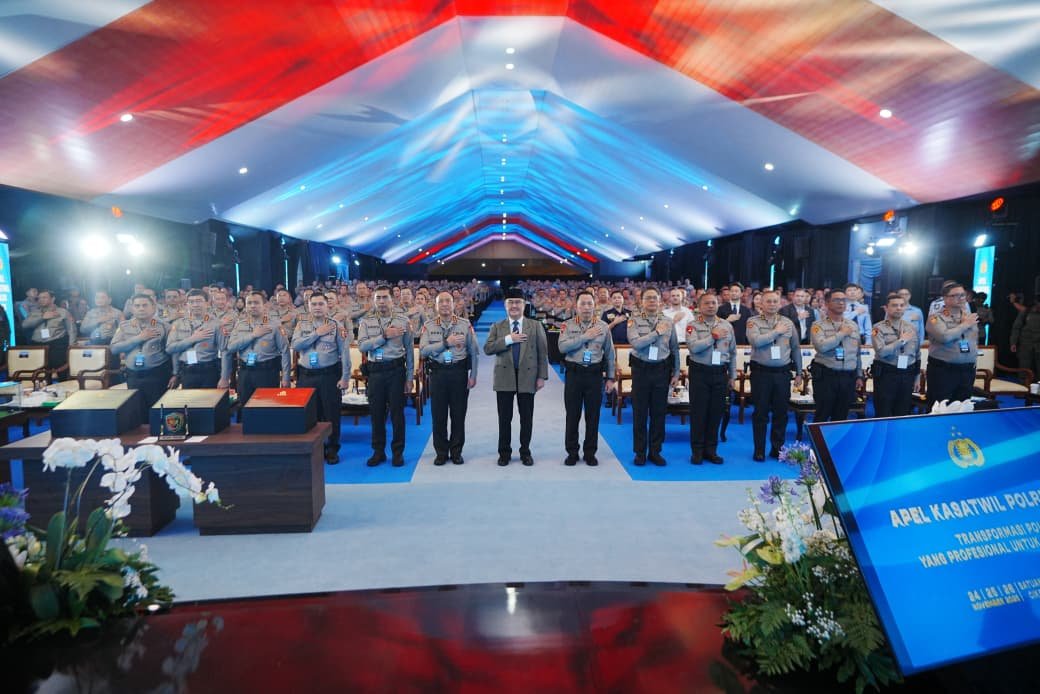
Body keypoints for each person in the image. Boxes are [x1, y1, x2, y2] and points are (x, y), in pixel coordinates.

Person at [484, 288, 548, 466]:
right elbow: (488, 348)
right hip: (504, 377)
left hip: (528, 376)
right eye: (510, 302)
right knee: (504, 418)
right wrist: (508, 339)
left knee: (526, 418)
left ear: (524, 305)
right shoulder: (497, 326)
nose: (514, 305)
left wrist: (541, 376)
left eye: (518, 302)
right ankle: (504, 453)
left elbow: (543, 353)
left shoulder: (535, 325)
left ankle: (525, 452)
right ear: (505, 305)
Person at [419, 292, 480, 465]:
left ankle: (456, 451)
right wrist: (446, 343)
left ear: (453, 304)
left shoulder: (465, 324)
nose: (445, 304)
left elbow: (474, 351)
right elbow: (423, 351)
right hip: (438, 374)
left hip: (458, 373)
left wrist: (473, 375)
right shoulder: (428, 325)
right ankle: (441, 452)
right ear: (436, 306)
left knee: (458, 415)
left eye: (448, 301)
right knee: (438, 415)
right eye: (441, 302)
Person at [292, 293, 352, 464]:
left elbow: (345, 353)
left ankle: (332, 448)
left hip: (329, 375)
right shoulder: (302, 324)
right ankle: (315, 448)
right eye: (314, 304)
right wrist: (316, 334)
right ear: (308, 306)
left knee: (331, 413)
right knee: (309, 414)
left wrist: (345, 377)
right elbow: (296, 345)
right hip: (306, 375)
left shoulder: (336, 325)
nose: (317, 307)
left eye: (321, 304)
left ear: (327, 306)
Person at [357, 286, 413, 467]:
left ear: (392, 300)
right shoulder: (366, 322)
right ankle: (378, 451)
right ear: (374, 301)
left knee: (397, 414)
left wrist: (409, 378)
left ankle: (397, 452)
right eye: (378, 298)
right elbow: (362, 346)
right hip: (375, 372)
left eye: (385, 297)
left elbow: (409, 351)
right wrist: (383, 337)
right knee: (376, 414)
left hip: (396, 371)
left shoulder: (403, 321)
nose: (381, 301)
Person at [558, 291, 615, 466]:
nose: (586, 307)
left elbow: (610, 354)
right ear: (576, 306)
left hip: (594, 375)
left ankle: (590, 452)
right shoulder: (567, 325)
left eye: (589, 303)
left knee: (593, 416)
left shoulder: (603, 326)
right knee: (572, 415)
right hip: (574, 374)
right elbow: (562, 347)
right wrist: (585, 337)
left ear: (594, 306)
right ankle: (572, 452)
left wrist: (610, 378)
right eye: (582, 303)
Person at [627, 287, 680, 466]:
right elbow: (636, 343)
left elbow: (674, 348)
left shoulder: (668, 321)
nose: (652, 301)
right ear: (641, 301)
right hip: (641, 370)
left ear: (660, 301)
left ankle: (655, 451)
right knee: (640, 413)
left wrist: (676, 371)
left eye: (655, 298)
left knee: (659, 413)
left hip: (661, 370)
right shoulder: (634, 320)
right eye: (648, 298)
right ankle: (640, 452)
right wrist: (656, 332)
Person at [746, 290, 802, 461]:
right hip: (761, 373)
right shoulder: (753, 322)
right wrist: (776, 332)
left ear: (780, 303)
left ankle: (777, 449)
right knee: (760, 413)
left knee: (781, 412)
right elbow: (756, 341)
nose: (772, 304)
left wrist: (799, 372)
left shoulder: (788, 322)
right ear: (761, 304)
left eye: (775, 301)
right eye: (768, 301)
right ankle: (759, 450)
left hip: (782, 374)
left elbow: (795, 348)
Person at [686, 292, 736, 465]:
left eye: (713, 303)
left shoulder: (726, 325)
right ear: (699, 306)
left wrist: (733, 375)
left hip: (720, 373)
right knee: (699, 413)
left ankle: (711, 450)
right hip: (700, 372)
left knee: (716, 413)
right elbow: (693, 347)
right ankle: (697, 451)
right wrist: (712, 337)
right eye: (706, 303)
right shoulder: (692, 325)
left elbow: (732, 352)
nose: (710, 306)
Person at [221, 291, 291, 406]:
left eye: (256, 303)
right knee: (244, 407)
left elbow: (285, 351)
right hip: (245, 372)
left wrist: (286, 377)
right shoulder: (240, 325)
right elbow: (230, 347)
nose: (253, 306)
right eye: (249, 303)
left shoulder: (274, 325)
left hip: (267, 372)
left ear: (264, 305)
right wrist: (253, 335)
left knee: (266, 408)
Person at [111, 294, 175, 418]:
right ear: (132, 309)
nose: (141, 308)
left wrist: (175, 374)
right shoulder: (124, 326)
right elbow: (114, 349)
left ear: (153, 307)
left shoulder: (164, 326)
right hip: (133, 375)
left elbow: (171, 351)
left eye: (145, 305)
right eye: (137, 306)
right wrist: (139, 338)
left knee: (158, 412)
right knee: (137, 413)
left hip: (157, 375)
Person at [810, 289, 864, 423]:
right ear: (827, 303)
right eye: (837, 300)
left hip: (848, 377)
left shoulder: (853, 325)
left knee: (841, 416)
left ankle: (836, 438)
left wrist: (859, 374)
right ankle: (819, 438)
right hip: (826, 377)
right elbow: (821, 347)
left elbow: (857, 352)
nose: (841, 303)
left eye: (843, 300)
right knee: (822, 414)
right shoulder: (818, 325)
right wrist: (841, 334)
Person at [925, 283, 978, 407]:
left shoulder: (969, 317)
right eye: (956, 295)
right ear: (945, 298)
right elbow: (944, 337)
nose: (961, 298)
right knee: (940, 408)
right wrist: (964, 325)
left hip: (967, 370)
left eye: (963, 295)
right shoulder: (935, 318)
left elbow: (973, 341)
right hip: (944, 371)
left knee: (963, 407)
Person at [871, 293, 921, 418]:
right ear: (886, 308)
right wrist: (901, 341)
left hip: (907, 375)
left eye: (901, 305)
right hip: (887, 375)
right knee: (883, 413)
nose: (899, 308)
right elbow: (881, 351)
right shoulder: (878, 328)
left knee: (903, 413)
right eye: (894, 305)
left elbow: (916, 354)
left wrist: (917, 377)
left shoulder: (912, 328)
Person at [166, 289, 224, 389]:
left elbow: (224, 351)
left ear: (207, 303)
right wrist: (193, 339)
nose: (195, 305)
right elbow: (170, 349)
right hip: (187, 371)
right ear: (187, 304)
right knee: (189, 399)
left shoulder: (216, 324)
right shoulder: (178, 324)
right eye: (191, 302)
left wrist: (224, 376)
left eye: (199, 301)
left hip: (209, 370)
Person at [22, 289, 77, 370]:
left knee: (60, 370)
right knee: (40, 372)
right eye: (39, 298)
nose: (41, 300)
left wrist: (71, 347)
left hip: (57, 345)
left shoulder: (63, 312)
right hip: (38, 345)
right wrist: (42, 317)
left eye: (44, 297)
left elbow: (72, 330)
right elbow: (25, 325)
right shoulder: (35, 312)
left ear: (53, 299)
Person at [1010, 300, 1040, 379]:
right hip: (1025, 345)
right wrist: (1013, 342)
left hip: (1038, 345)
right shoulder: (1025, 313)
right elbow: (1016, 328)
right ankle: (1023, 385)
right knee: (1024, 368)